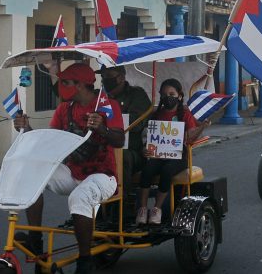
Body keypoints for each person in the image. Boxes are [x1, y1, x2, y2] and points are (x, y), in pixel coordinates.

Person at [12, 63, 124, 274]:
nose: (61, 86)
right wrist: (25, 129)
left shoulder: (107, 105)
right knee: (33, 174)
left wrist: (103, 128)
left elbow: (119, 140)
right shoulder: (64, 109)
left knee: (79, 198)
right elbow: (49, 141)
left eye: (65, 82)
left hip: (103, 176)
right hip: (72, 173)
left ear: (81, 85)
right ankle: (36, 242)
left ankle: (85, 260)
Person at [136, 77, 210, 225]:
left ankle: (157, 209)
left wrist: (202, 127)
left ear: (179, 96)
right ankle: (143, 209)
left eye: (172, 94)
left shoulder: (185, 115)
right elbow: (148, 138)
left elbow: (190, 138)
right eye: (164, 94)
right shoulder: (156, 114)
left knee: (167, 171)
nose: (168, 98)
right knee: (147, 170)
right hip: (158, 155)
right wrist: (145, 149)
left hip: (179, 156)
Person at [97, 66, 151, 196]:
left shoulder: (137, 95)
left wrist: (109, 121)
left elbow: (136, 124)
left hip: (134, 151)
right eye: (103, 76)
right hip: (104, 146)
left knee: (121, 157)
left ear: (120, 77)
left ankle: (122, 207)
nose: (105, 80)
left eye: (108, 76)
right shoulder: (100, 97)